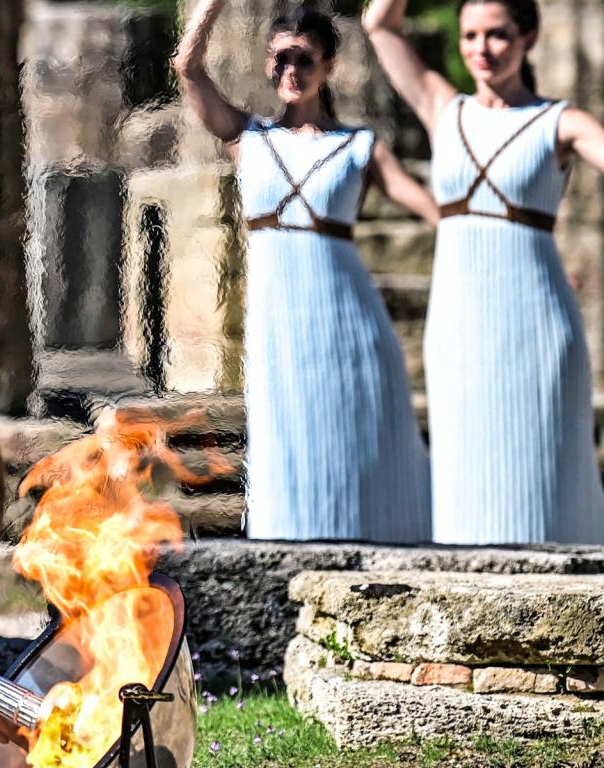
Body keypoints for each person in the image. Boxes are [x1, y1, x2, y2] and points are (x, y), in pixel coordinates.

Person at [173, 3, 435, 542]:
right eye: (281, 58)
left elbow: (432, 209)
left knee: (359, 435)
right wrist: (212, 6)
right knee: (283, 437)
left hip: (349, 320)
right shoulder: (246, 138)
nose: (291, 70)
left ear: (328, 66)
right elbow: (188, 68)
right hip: (277, 323)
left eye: (304, 59)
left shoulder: (358, 147)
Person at [365, 0, 604, 543]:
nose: (481, 49)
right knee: (465, 473)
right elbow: (378, 23)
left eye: (497, 35)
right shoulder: (442, 108)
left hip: (537, 324)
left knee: (550, 474)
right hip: (458, 324)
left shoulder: (560, 122)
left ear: (528, 39)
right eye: (470, 35)